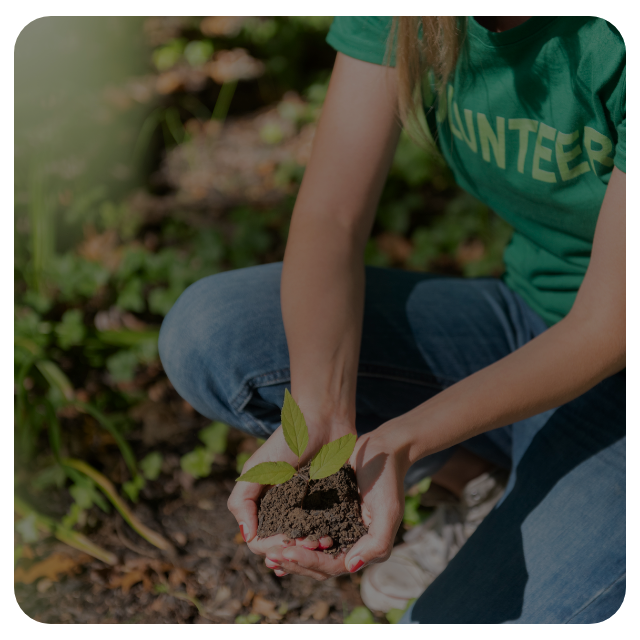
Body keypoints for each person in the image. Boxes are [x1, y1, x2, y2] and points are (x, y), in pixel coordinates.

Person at [159, 16, 626, 623]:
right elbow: (332, 215)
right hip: (528, 321)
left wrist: (401, 439)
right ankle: (482, 477)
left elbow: (605, 326)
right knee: (212, 329)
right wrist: (321, 409)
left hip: (609, 357)